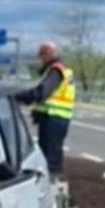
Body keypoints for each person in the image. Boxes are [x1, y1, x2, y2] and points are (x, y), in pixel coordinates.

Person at [14, 41, 76, 177]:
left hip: (53, 118)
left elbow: (42, 93)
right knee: (51, 155)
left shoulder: (56, 71)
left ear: (48, 54)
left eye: (41, 54)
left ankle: (51, 185)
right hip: (55, 118)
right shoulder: (57, 70)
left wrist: (17, 97)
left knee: (50, 158)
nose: (39, 57)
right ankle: (52, 182)